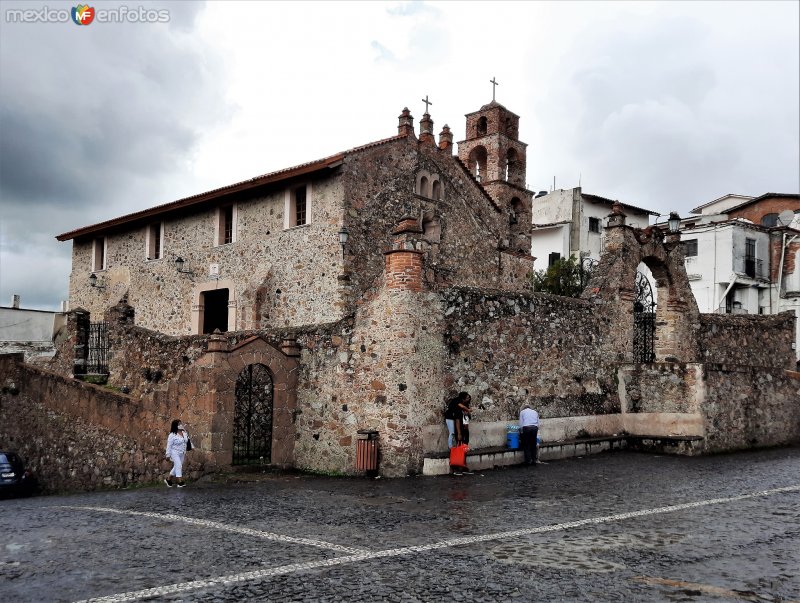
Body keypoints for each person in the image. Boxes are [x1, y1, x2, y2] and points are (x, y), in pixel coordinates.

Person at [165, 419, 190, 487]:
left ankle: (168, 479)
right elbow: (169, 445)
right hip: (174, 452)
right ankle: (180, 481)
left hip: (182, 452)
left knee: (176, 466)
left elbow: (187, 441)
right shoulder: (172, 435)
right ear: (175, 426)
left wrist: (192, 447)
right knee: (179, 465)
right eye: (179, 424)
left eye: (181, 423)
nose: (180, 425)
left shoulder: (184, 433)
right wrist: (168, 455)